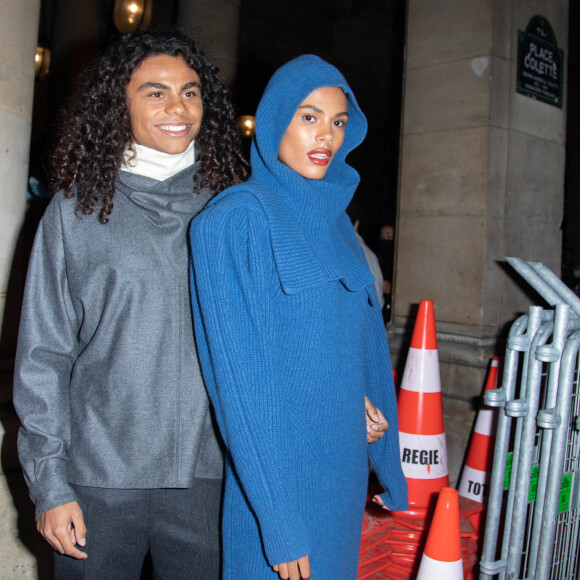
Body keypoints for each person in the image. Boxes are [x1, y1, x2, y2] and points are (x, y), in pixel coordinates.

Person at [13, 31, 248, 579]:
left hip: (209, 476)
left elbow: (275, 331)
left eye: (190, 92)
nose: (178, 108)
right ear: (118, 101)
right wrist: (50, 483)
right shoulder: (75, 213)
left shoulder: (234, 207)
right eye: (155, 92)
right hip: (96, 480)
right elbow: (42, 357)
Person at [189, 54, 408, 580]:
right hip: (279, 483)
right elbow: (241, 387)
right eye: (309, 117)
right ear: (274, 120)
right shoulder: (234, 219)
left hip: (343, 471)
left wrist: (368, 412)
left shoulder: (338, 227)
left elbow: (360, 344)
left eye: (337, 122)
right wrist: (280, 521)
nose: (326, 136)